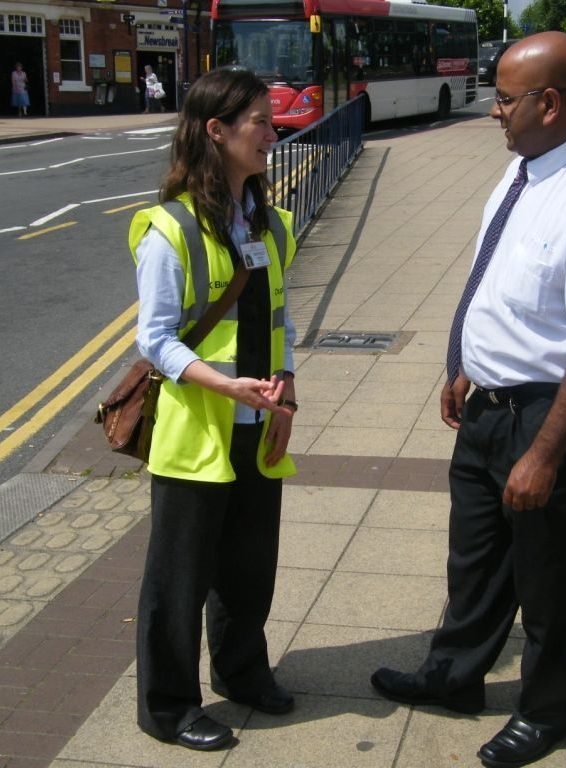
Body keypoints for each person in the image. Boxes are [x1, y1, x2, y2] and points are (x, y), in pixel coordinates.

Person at [370, 31, 566, 768]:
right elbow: (493, 283)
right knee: (476, 558)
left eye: (502, 97)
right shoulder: (523, 171)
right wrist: (461, 363)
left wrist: (545, 455)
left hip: (549, 411)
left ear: (550, 103)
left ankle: (547, 705)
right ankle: (454, 677)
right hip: (488, 404)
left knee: (547, 569)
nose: (492, 111)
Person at [131, 67, 300, 752]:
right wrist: (225, 387)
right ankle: (167, 707)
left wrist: (285, 387)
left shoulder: (271, 221)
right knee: (179, 579)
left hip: (258, 426)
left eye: (268, 119)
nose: (272, 131)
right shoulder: (167, 228)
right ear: (216, 130)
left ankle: (241, 672)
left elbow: (282, 318)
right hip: (198, 432)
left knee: (248, 568)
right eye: (258, 121)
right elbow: (155, 339)